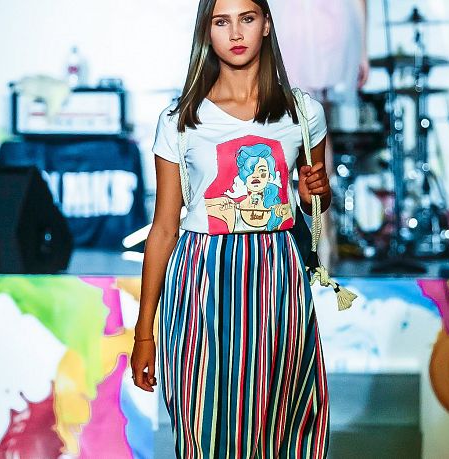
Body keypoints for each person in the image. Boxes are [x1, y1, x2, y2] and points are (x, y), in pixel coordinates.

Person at [131, 0, 333, 456]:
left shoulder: (303, 113)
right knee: (202, 420)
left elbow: (316, 201)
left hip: (275, 275)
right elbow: (163, 229)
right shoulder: (180, 120)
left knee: (279, 423)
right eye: (221, 21)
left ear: (266, 25)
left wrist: (312, 193)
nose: (236, 33)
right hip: (201, 274)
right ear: (207, 31)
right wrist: (145, 332)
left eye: (247, 18)